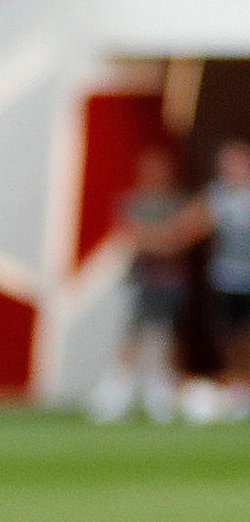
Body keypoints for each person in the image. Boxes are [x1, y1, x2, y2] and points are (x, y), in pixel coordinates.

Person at [92, 147, 203, 424]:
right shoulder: (131, 200)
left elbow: (183, 237)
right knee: (133, 333)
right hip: (141, 280)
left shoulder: (179, 200)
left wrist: (158, 238)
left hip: (171, 281)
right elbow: (130, 234)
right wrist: (164, 237)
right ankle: (118, 394)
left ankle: (162, 394)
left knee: (168, 337)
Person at [207, 140, 250, 421]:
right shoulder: (217, 194)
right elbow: (193, 223)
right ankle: (236, 386)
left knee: (247, 335)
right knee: (228, 335)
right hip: (225, 277)